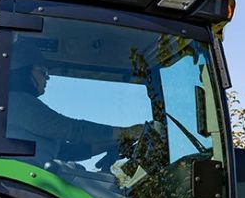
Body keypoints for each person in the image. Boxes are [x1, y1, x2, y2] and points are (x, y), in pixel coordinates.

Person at [8, 63, 147, 166]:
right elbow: (73, 130)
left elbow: (66, 151)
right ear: (23, 69)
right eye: (43, 71)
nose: (48, 77)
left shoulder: (18, 104)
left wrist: (112, 144)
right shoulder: (17, 102)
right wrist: (128, 132)